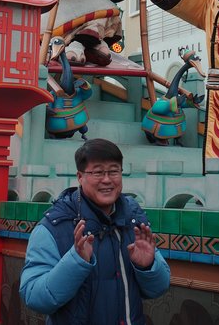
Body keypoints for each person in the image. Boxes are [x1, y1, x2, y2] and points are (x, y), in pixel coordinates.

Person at [20, 139, 170, 324]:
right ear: (80, 177)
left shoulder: (133, 220)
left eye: (114, 171)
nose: (107, 180)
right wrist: (75, 262)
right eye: (98, 172)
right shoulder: (53, 228)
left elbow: (158, 289)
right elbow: (34, 297)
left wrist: (147, 267)